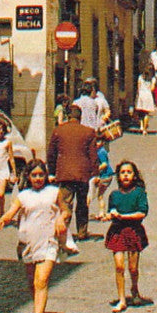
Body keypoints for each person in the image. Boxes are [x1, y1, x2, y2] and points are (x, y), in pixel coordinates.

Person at [0, 159, 71, 313]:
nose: (38, 178)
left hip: (49, 241)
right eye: (34, 175)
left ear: (46, 175)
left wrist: (61, 218)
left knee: (41, 280)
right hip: (28, 243)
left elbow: (65, 209)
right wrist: (2, 220)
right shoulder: (23, 196)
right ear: (29, 177)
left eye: (41, 175)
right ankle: (40, 312)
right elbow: (11, 212)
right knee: (33, 282)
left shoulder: (54, 192)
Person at [46, 103, 99, 241]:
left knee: (65, 204)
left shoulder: (58, 130)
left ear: (68, 116)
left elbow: (51, 153)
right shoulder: (89, 132)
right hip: (82, 174)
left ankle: (64, 231)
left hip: (64, 174)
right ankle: (82, 232)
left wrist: (51, 172)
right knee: (82, 204)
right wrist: (95, 174)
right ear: (80, 117)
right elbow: (93, 155)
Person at [105, 160, 149, 313]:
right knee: (119, 266)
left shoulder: (139, 193)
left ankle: (134, 290)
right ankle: (122, 299)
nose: (125, 175)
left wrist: (125, 216)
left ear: (134, 175)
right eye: (122, 173)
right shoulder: (114, 195)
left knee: (133, 268)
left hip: (133, 231)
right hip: (117, 232)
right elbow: (111, 211)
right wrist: (110, 214)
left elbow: (142, 212)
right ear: (118, 176)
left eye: (129, 172)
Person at [89, 133, 115, 220]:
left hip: (105, 176)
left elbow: (104, 164)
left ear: (103, 142)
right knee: (100, 195)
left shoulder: (101, 152)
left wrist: (95, 171)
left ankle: (87, 210)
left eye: (99, 141)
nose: (97, 143)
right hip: (106, 176)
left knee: (93, 193)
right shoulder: (100, 151)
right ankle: (101, 213)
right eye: (96, 141)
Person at [134, 64, 156, 135]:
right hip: (148, 95)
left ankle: (141, 125)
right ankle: (144, 129)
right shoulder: (153, 79)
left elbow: (138, 86)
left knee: (141, 112)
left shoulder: (140, 77)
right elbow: (152, 89)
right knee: (146, 113)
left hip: (141, 94)